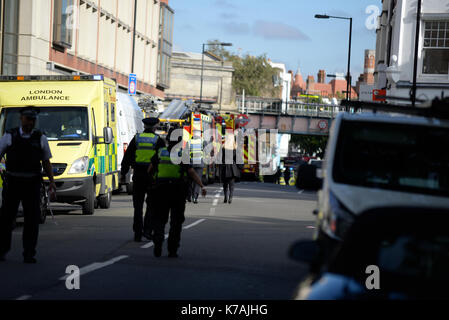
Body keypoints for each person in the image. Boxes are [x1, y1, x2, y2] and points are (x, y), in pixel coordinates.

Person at [0, 106, 56, 264]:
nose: (30, 122)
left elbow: (46, 161)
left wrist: (52, 182)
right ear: (21, 119)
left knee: (32, 220)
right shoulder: (9, 136)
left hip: (32, 184)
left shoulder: (40, 138)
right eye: (27, 119)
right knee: (6, 219)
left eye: (32, 119)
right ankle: (2, 250)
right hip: (13, 183)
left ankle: (29, 253)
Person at [148, 128, 206, 258]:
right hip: (177, 191)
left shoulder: (160, 152)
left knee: (160, 219)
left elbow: (150, 169)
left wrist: (154, 180)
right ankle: (172, 250)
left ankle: (157, 243)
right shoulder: (182, 154)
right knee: (176, 222)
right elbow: (191, 172)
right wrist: (201, 186)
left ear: (168, 140)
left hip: (161, 190)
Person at [121, 117, 165, 242]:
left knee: (138, 206)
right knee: (151, 205)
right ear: (155, 127)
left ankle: (137, 233)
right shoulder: (158, 140)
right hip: (152, 177)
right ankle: (147, 230)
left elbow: (127, 157)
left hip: (138, 176)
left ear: (144, 126)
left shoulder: (136, 139)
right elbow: (162, 159)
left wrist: (123, 173)